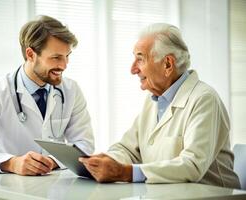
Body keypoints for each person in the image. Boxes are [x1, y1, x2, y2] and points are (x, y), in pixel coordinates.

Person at [79, 23, 241, 188]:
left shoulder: (204, 99)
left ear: (168, 65)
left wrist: (125, 172)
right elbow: (128, 149)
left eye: (140, 59)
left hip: (213, 195)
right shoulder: (153, 100)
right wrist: (105, 161)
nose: (133, 69)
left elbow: (192, 165)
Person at [0, 15, 94, 176]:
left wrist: (51, 162)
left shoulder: (71, 90)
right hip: (7, 187)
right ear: (31, 54)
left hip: (55, 185)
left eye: (67, 56)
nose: (64, 65)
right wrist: (12, 163)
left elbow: (85, 145)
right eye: (56, 57)